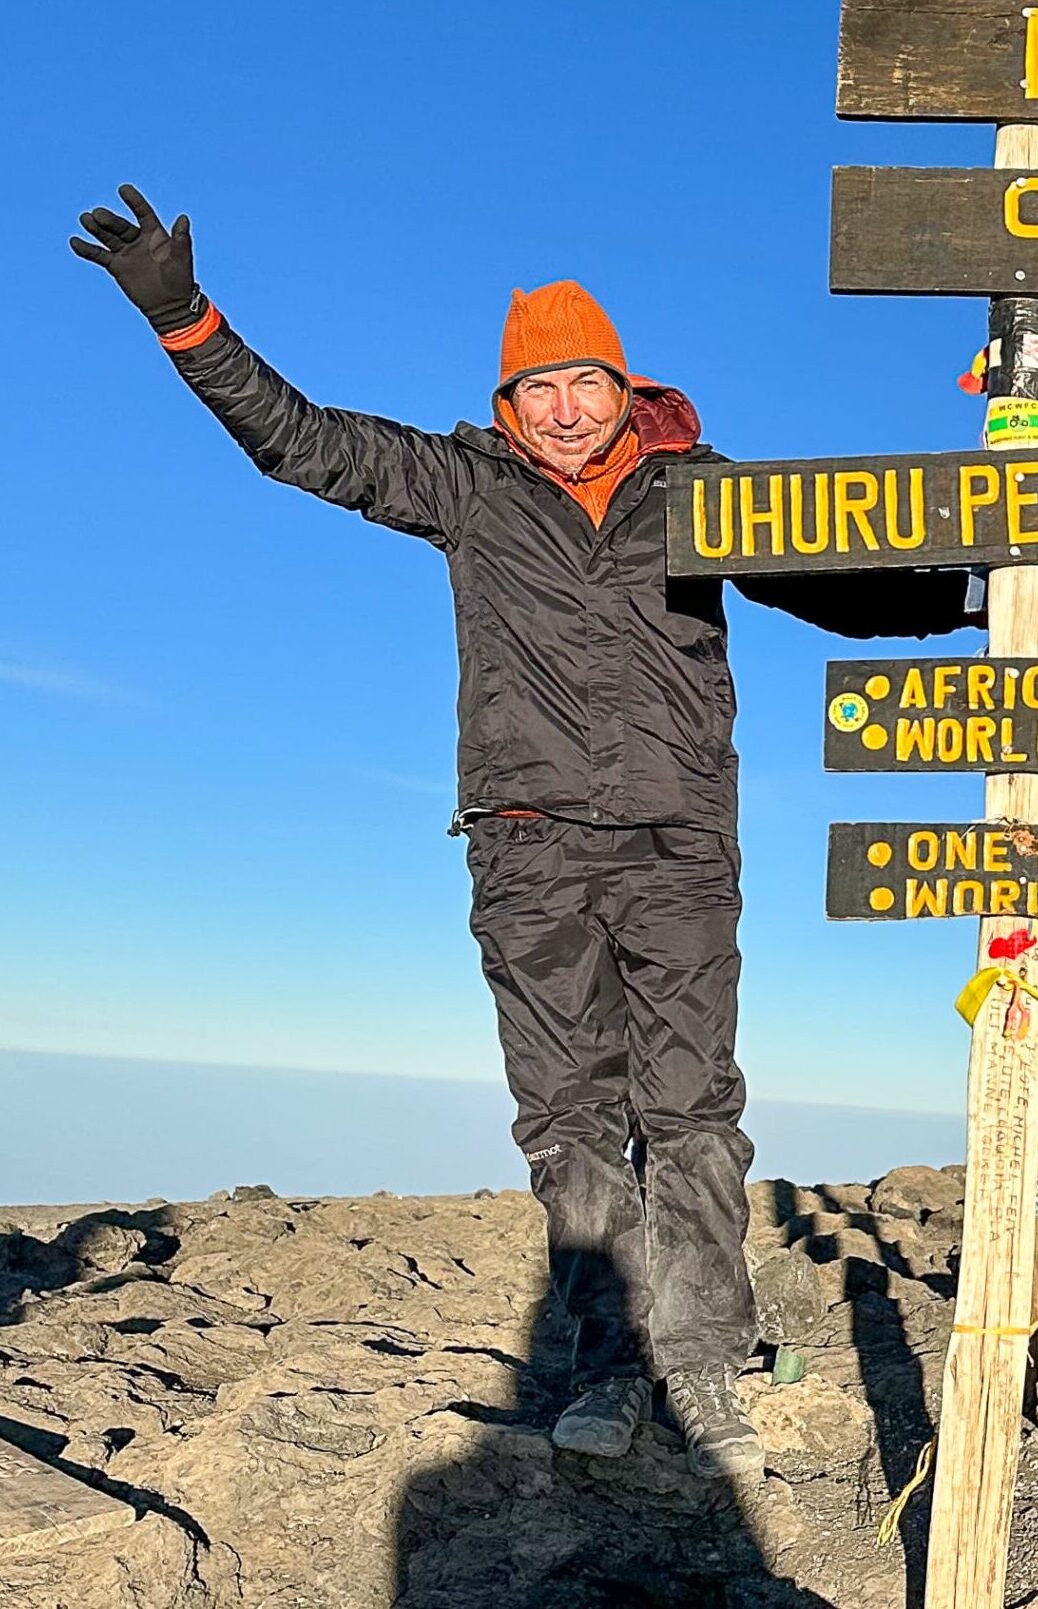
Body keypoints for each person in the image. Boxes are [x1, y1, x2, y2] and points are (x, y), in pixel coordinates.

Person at [72, 186, 979, 1476]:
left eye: (585, 381)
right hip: (528, 846)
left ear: (626, 387)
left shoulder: (700, 493)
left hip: (677, 844)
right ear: (509, 404)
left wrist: (972, 588)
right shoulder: (466, 490)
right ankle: (608, 1369)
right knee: (569, 1119)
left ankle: (707, 1361)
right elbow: (301, 441)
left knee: (694, 1109)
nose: (562, 407)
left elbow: (836, 582)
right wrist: (185, 319)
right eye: (536, 386)